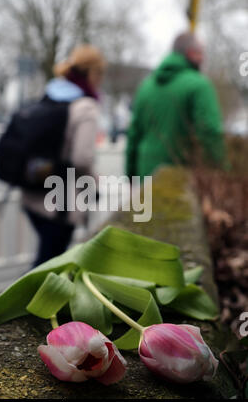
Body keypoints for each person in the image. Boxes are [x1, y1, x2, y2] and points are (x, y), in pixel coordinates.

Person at [22, 45, 106, 267]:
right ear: (92, 73)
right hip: (60, 204)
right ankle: (16, 302)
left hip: (33, 194)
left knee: (45, 261)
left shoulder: (51, 95)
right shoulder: (86, 107)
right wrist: (94, 185)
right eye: (100, 74)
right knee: (48, 268)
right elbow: (82, 159)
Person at [126, 32, 227, 180]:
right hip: (180, 176)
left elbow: (134, 134)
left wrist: (130, 174)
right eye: (201, 53)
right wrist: (222, 170)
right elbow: (209, 132)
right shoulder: (200, 86)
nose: (204, 58)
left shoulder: (146, 86)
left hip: (145, 174)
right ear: (192, 53)